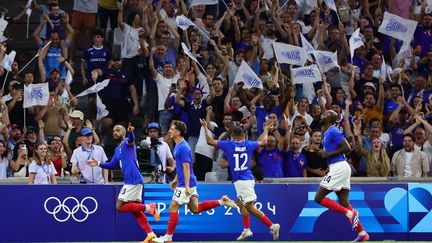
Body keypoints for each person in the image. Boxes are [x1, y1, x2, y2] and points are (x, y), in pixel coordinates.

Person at [153, 120, 238, 243]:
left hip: (186, 184)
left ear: (178, 132)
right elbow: (181, 167)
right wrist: (176, 179)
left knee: (173, 207)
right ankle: (221, 201)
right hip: (187, 183)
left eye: (172, 129)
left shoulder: (184, 147)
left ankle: (168, 237)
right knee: (195, 209)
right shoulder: (178, 145)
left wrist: (186, 186)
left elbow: (187, 167)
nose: (170, 131)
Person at [200, 119, 281, 241]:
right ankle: (246, 230)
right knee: (240, 204)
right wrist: (266, 130)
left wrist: (205, 127)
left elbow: (209, 141)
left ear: (232, 136)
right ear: (243, 136)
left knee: (250, 207)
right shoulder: (248, 144)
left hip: (242, 181)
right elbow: (263, 141)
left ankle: (272, 225)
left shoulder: (228, 144)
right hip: (246, 179)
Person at [88, 123, 160, 243]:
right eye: (114, 131)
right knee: (135, 211)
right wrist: (99, 163)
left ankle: (150, 208)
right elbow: (111, 164)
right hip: (133, 180)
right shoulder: (117, 149)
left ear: (123, 133)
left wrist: (131, 132)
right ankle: (151, 234)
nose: (115, 132)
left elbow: (132, 139)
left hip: (133, 179)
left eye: (118, 130)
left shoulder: (127, 142)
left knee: (119, 206)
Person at [314, 110, 368, 242]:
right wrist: (327, 162)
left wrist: (328, 155)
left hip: (340, 167)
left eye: (326, 114)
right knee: (344, 202)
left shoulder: (333, 131)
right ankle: (362, 233)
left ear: (331, 119)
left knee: (318, 198)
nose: (322, 115)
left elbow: (347, 148)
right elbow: (335, 153)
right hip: (338, 166)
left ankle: (350, 213)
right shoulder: (326, 132)